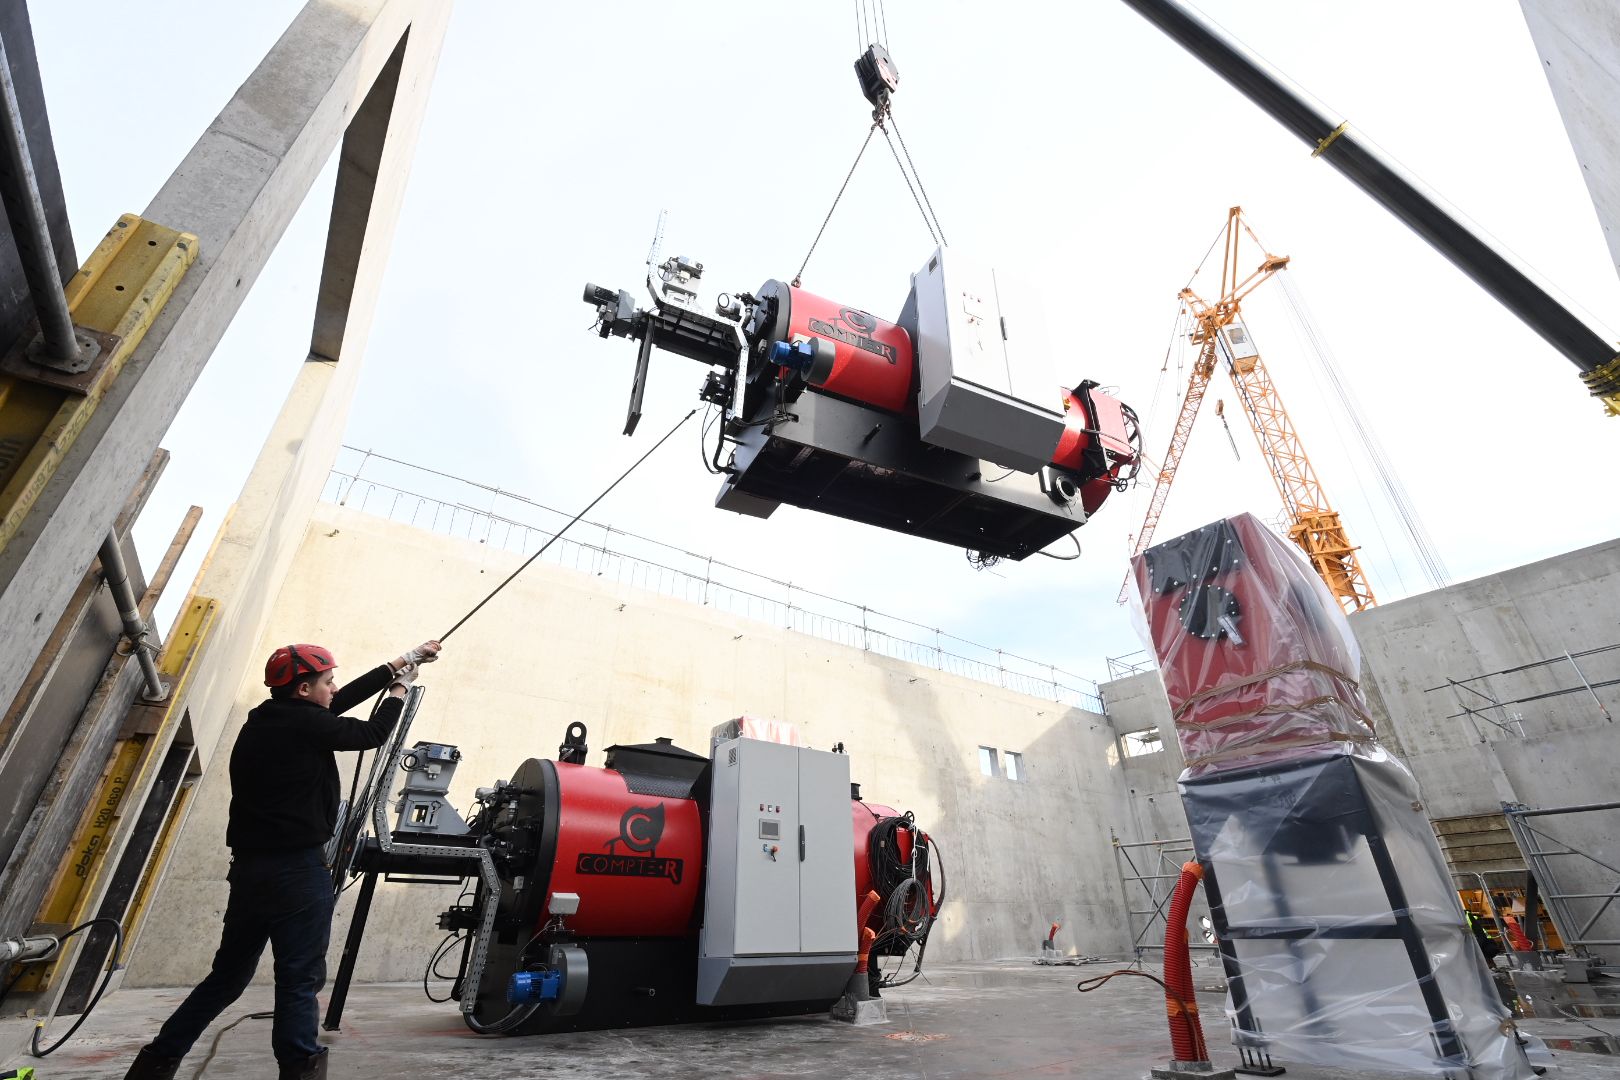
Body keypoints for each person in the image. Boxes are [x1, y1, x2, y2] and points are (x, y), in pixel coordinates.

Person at [124, 639, 442, 1080]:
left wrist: (400, 663)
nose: (335, 688)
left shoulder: (266, 722)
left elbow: (332, 706)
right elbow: (368, 734)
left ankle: (155, 1064)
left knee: (226, 979)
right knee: (298, 982)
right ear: (304, 690)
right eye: (327, 682)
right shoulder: (308, 725)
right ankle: (298, 1071)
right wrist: (397, 693)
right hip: (296, 872)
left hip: (251, 872)